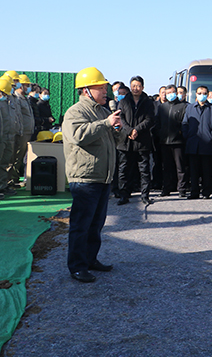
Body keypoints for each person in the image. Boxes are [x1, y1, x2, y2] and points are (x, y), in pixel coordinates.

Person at [62, 67, 123, 283]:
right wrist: (106, 124)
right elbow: (79, 136)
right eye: (101, 88)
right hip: (85, 178)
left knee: (96, 224)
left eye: (105, 87)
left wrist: (118, 129)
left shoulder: (103, 111)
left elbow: (115, 139)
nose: (106, 91)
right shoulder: (76, 112)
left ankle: (90, 259)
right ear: (86, 90)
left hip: (102, 177)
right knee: (81, 225)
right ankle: (77, 266)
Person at [117, 76, 156, 206]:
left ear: (142, 87)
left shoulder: (148, 102)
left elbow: (150, 119)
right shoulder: (124, 101)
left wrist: (137, 130)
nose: (136, 88)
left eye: (138, 86)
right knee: (124, 169)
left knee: (144, 170)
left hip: (142, 141)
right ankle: (124, 195)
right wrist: (129, 130)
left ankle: (145, 195)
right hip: (125, 141)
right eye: (133, 86)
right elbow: (121, 118)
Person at [182, 85, 212, 199]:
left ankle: (207, 192)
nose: (201, 95)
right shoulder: (190, 107)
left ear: (207, 95)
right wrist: (187, 135)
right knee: (193, 171)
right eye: (199, 93)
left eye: (204, 93)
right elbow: (185, 123)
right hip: (193, 143)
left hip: (207, 144)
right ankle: (194, 192)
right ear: (196, 94)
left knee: (207, 170)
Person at [157, 84, 189, 197]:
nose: (170, 95)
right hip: (164, 142)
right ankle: (166, 188)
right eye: (168, 93)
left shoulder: (183, 106)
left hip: (178, 142)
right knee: (166, 167)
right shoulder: (162, 107)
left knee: (180, 167)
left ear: (176, 93)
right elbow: (157, 122)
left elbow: (185, 123)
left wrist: (181, 134)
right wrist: (160, 133)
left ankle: (182, 189)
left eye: (172, 92)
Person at [11, 75, 35, 184]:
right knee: (17, 156)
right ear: (21, 86)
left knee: (21, 156)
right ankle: (13, 179)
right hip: (22, 132)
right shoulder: (17, 98)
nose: (28, 88)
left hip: (27, 131)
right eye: (27, 85)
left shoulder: (24, 98)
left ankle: (14, 178)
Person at [0, 76, 16, 198]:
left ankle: (2, 186)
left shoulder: (8, 102)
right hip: (2, 137)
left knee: (4, 163)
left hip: (7, 136)